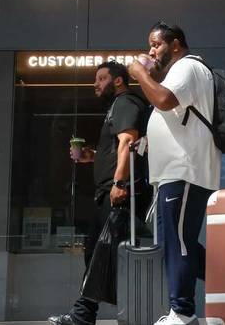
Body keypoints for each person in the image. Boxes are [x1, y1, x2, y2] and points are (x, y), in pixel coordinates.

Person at [126, 22, 220, 325]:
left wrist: (140, 73)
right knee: (180, 242)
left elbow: (165, 100)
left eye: (156, 44)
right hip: (177, 172)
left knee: (178, 241)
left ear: (175, 44)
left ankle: (182, 312)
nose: (152, 51)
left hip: (185, 171)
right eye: (151, 46)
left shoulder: (187, 68)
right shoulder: (178, 73)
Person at [49, 60, 152, 325]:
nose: (95, 84)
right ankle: (86, 313)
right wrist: (90, 156)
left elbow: (128, 142)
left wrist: (119, 184)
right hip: (110, 191)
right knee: (96, 250)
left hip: (118, 192)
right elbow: (113, 150)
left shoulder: (126, 101)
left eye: (101, 79)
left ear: (118, 80)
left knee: (100, 251)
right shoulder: (116, 107)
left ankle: (84, 314)